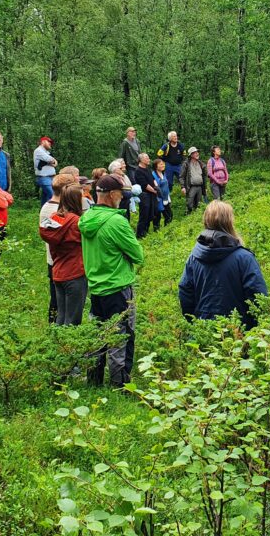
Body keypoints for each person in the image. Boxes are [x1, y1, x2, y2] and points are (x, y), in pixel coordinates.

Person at [80, 174, 144, 387]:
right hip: (118, 288)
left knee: (97, 336)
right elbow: (138, 255)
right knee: (121, 338)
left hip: (96, 288)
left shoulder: (86, 218)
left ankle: (94, 382)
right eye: (121, 193)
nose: (122, 197)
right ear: (111, 194)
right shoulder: (117, 221)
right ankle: (120, 386)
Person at [179, 201, 268, 329]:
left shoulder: (194, 258)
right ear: (229, 222)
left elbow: (185, 292)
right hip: (238, 332)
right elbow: (258, 295)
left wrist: (195, 322)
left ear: (206, 221)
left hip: (204, 330)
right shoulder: (244, 258)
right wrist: (254, 328)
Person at [40, 185, 88, 325]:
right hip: (75, 273)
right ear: (76, 200)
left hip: (58, 271)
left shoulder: (54, 218)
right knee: (73, 319)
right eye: (82, 197)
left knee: (61, 315)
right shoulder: (77, 222)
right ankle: (68, 346)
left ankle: (57, 344)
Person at [131, 153, 159, 239]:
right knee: (144, 215)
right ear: (141, 160)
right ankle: (140, 235)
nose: (149, 159)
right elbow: (144, 184)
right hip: (144, 196)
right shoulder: (138, 171)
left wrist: (157, 188)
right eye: (147, 158)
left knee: (152, 213)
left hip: (152, 195)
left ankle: (146, 233)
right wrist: (154, 191)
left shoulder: (147, 169)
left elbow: (153, 179)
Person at [180, 147, 207, 214]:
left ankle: (196, 218)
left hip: (200, 186)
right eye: (195, 153)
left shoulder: (201, 164)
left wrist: (205, 187)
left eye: (197, 152)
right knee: (189, 204)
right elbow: (181, 176)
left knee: (199, 204)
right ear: (191, 155)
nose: (197, 154)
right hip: (191, 187)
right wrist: (183, 187)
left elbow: (204, 177)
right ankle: (188, 217)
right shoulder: (186, 164)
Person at [34, 136, 58, 206]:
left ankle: (43, 215)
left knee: (45, 199)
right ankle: (53, 214)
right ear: (43, 142)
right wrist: (51, 161)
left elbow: (55, 162)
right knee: (53, 196)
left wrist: (52, 162)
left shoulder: (46, 152)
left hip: (51, 178)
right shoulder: (38, 150)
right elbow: (51, 160)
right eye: (48, 142)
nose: (50, 143)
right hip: (44, 178)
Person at [152, 159, 172, 229]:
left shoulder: (163, 173)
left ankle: (167, 229)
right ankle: (156, 231)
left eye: (163, 163)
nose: (163, 165)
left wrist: (168, 197)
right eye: (160, 164)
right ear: (156, 166)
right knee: (157, 216)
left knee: (169, 215)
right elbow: (156, 187)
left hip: (166, 198)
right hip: (158, 199)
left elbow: (166, 186)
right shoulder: (153, 175)